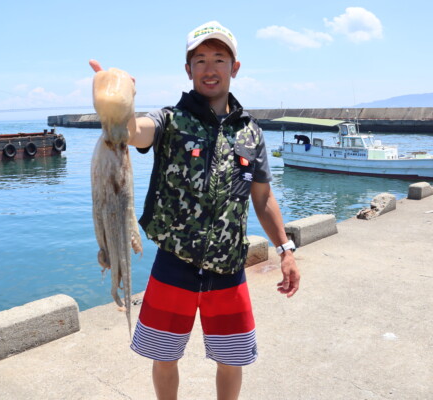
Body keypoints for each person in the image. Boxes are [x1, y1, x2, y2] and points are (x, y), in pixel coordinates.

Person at [90, 20, 300, 400]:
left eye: (219, 58)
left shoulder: (251, 133)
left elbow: (263, 198)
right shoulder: (171, 120)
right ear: (188, 70)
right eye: (200, 59)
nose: (209, 68)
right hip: (175, 264)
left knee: (232, 359)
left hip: (228, 268)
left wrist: (286, 250)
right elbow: (135, 131)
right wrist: (120, 100)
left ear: (234, 68)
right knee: (164, 357)